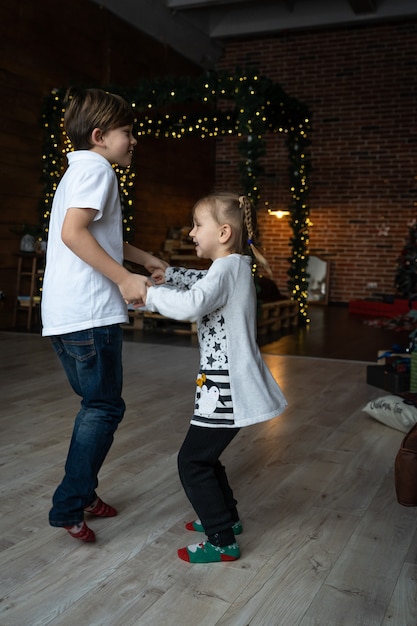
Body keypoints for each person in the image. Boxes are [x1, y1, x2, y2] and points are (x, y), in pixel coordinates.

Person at [41, 87, 168, 542]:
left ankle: (85, 491)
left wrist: (142, 257)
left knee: (96, 405)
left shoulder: (77, 170)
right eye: (128, 133)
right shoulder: (100, 171)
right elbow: (76, 235)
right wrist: (123, 278)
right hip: (91, 316)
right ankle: (70, 504)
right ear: (100, 136)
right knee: (103, 406)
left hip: (64, 316)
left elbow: (93, 233)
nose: (134, 141)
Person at [144, 192, 287, 563]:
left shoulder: (226, 270)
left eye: (197, 225)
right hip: (221, 382)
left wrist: (149, 294)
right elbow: (201, 281)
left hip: (225, 386)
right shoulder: (234, 266)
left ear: (223, 232)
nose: (191, 232)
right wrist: (170, 274)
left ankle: (221, 540)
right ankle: (228, 519)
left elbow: (193, 304)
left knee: (192, 461)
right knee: (206, 457)